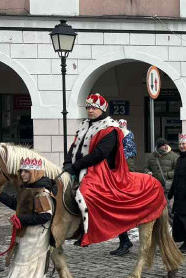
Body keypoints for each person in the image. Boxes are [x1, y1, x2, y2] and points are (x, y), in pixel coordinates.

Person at [63, 93, 167, 248]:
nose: (90, 110)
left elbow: (99, 154)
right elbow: (74, 146)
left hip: (101, 171)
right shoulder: (85, 124)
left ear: (102, 109)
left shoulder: (110, 128)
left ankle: (85, 231)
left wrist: (75, 166)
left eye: (93, 108)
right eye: (88, 107)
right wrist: (66, 163)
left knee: (86, 194)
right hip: (78, 168)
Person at [0, 155, 56, 278]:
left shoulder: (41, 192)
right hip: (28, 235)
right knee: (33, 269)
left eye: (26, 172)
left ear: (34, 172)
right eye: (21, 171)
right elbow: (20, 205)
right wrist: (0, 195)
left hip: (36, 237)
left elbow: (45, 216)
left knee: (22, 269)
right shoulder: (29, 188)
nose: (22, 175)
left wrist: (22, 220)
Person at [111, 118, 138, 257]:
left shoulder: (127, 153)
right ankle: (124, 241)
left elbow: (129, 170)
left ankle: (125, 242)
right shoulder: (116, 144)